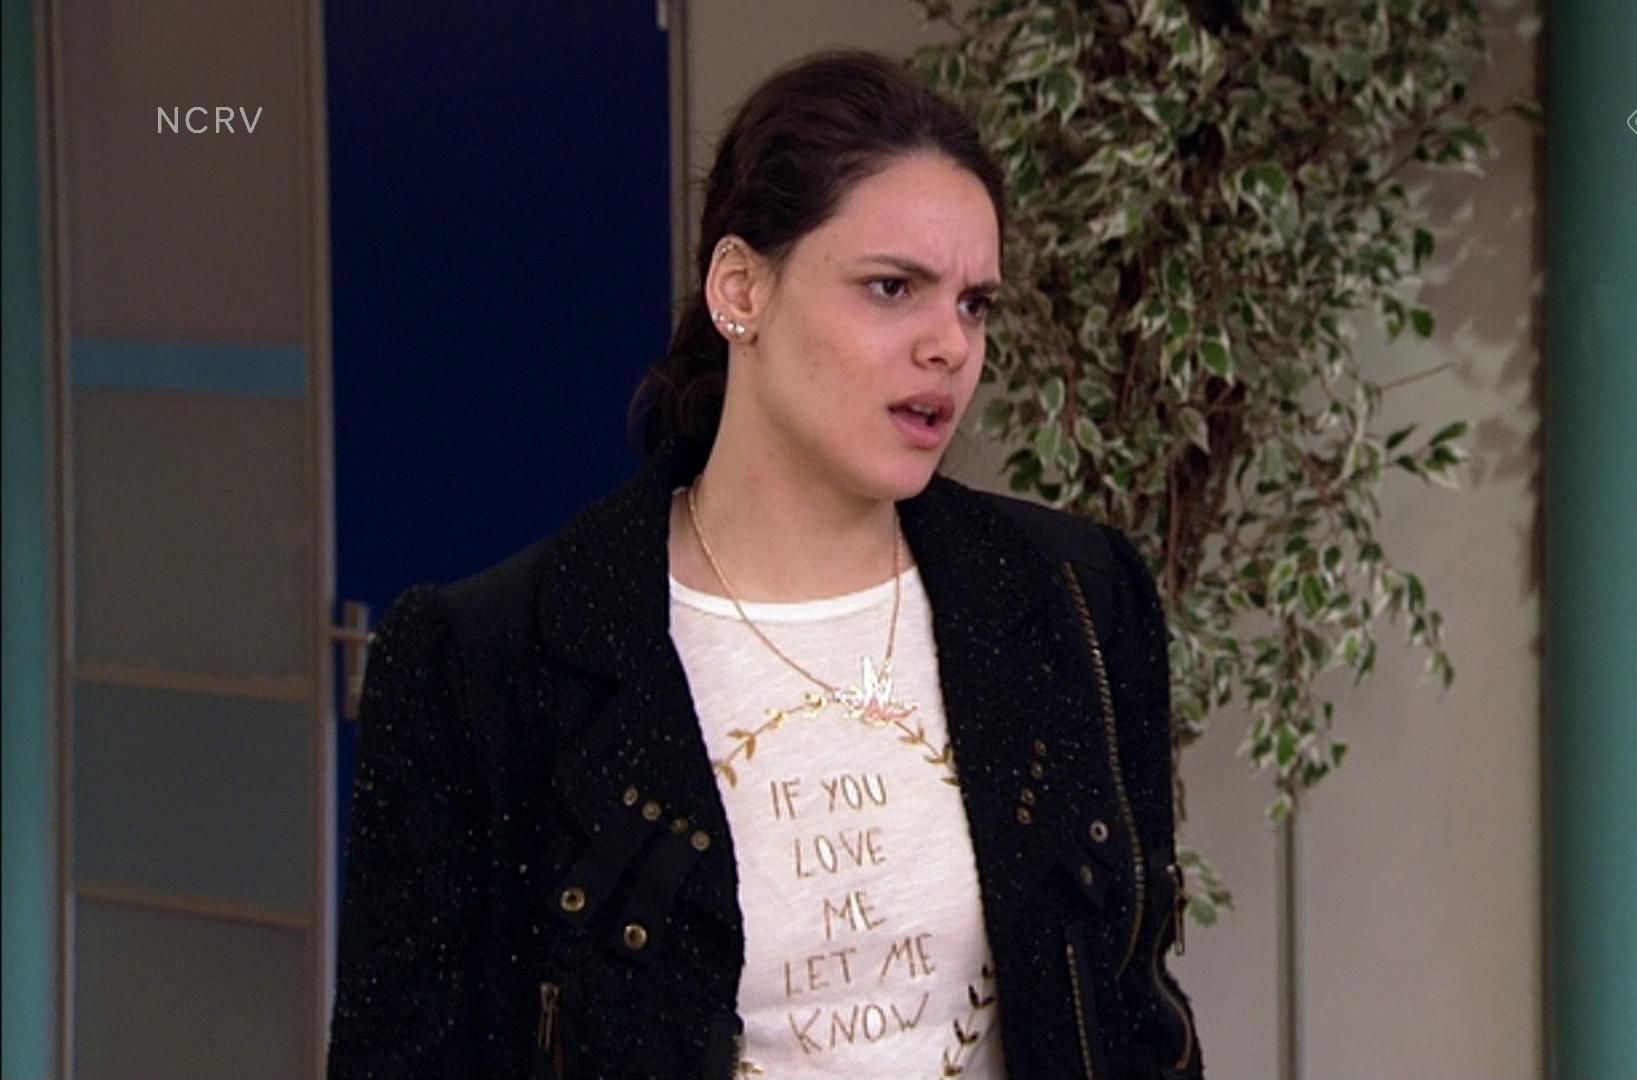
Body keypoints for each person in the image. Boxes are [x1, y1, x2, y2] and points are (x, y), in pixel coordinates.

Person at [325, 47, 1202, 1080]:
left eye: (974, 304)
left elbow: (1139, 1018)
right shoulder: (486, 660)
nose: (949, 346)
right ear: (740, 287)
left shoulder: (1075, 596)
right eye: (892, 288)